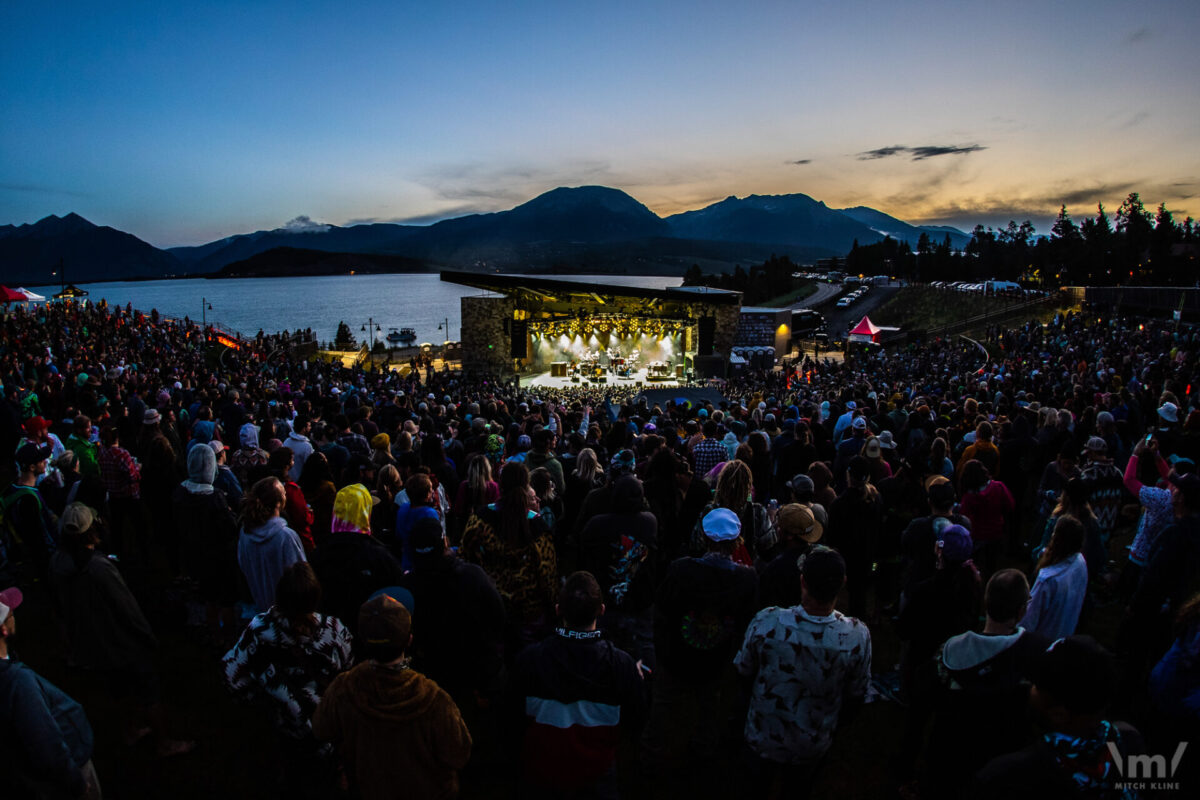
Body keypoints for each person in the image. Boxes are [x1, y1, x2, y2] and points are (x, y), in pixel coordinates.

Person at [49, 502, 194, 758]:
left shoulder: (59, 561)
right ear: (91, 530)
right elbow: (127, 607)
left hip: (90, 641)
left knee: (118, 691)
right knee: (148, 692)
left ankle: (132, 728)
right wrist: (146, 636)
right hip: (120, 639)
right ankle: (163, 742)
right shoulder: (98, 567)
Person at [735, 546, 871, 799]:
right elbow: (857, 693)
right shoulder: (855, 636)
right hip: (813, 741)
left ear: (802, 581)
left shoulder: (768, 622)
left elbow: (743, 669)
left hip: (762, 735)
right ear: (843, 584)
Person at [312, 593, 473, 800]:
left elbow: (320, 729)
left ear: (362, 640)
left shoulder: (343, 689)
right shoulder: (434, 699)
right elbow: (459, 754)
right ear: (409, 640)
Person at [642, 508, 758, 779]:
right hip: (717, 657)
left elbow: (662, 610)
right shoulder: (746, 578)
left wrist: (662, 647)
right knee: (710, 705)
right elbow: (746, 622)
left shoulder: (681, 569)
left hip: (677, 655)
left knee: (664, 704)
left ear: (706, 539)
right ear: (735, 541)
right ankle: (703, 751)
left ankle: (652, 753)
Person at [223, 562, 353, 799]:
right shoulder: (335, 631)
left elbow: (234, 679)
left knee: (294, 780)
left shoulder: (259, 630)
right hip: (328, 731)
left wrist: (264, 700)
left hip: (285, 729)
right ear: (316, 599)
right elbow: (349, 677)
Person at [512, 571, 645, 798]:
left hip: (543, 775)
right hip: (598, 775)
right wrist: (634, 677)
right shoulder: (621, 667)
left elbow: (512, 721)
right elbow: (636, 722)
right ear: (601, 611)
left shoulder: (529, 661)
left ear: (557, 611)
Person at [921, 569, 1050, 799]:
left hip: (952, 755)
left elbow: (927, 696)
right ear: (1021, 611)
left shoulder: (951, 651)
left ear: (986, 602)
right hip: (1004, 757)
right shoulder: (1038, 653)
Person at [974, 636, 1145, 800]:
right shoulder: (1129, 741)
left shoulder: (1007, 778)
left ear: (1059, 714)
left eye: (1036, 685)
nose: (1029, 688)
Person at [0, 586, 103, 800]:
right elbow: (45, 744)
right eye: (11, 615)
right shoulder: (18, 681)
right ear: (4, 629)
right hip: (65, 775)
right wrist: (75, 783)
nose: (14, 617)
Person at [400, 516, 506, 701]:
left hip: (433, 675)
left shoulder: (408, 588)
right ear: (445, 541)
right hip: (473, 672)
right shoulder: (472, 576)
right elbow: (499, 617)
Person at [461, 461, 558, 651]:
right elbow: (547, 575)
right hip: (528, 611)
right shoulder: (537, 526)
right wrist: (552, 608)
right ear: (526, 486)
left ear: (501, 485)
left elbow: (465, 557)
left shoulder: (481, 518)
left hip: (491, 603)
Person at [308, 484, 403, 634]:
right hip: (371, 637)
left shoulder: (317, 556)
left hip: (329, 639)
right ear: (366, 514)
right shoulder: (380, 557)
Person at [172, 444, 240, 647]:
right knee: (226, 599)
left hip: (195, 554)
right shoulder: (214, 498)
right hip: (219, 557)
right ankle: (227, 639)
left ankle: (214, 634)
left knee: (209, 597)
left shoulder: (180, 493)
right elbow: (230, 527)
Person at [238, 477, 307, 614]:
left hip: (260, 608)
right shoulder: (286, 536)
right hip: (289, 613)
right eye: (283, 492)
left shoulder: (246, 533)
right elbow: (301, 578)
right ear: (279, 502)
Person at [1023, 515, 1089, 640]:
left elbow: (1027, 622)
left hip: (1041, 644)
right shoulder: (1080, 562)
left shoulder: (1048, 580)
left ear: (1055, 538)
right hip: (1064, 636)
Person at [1, 443, 59, 584]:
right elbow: (35, 538)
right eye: (41, 460)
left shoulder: (11, 489)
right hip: (39, 561)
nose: (45, 461)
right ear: (32, 467)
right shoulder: (28, 500)